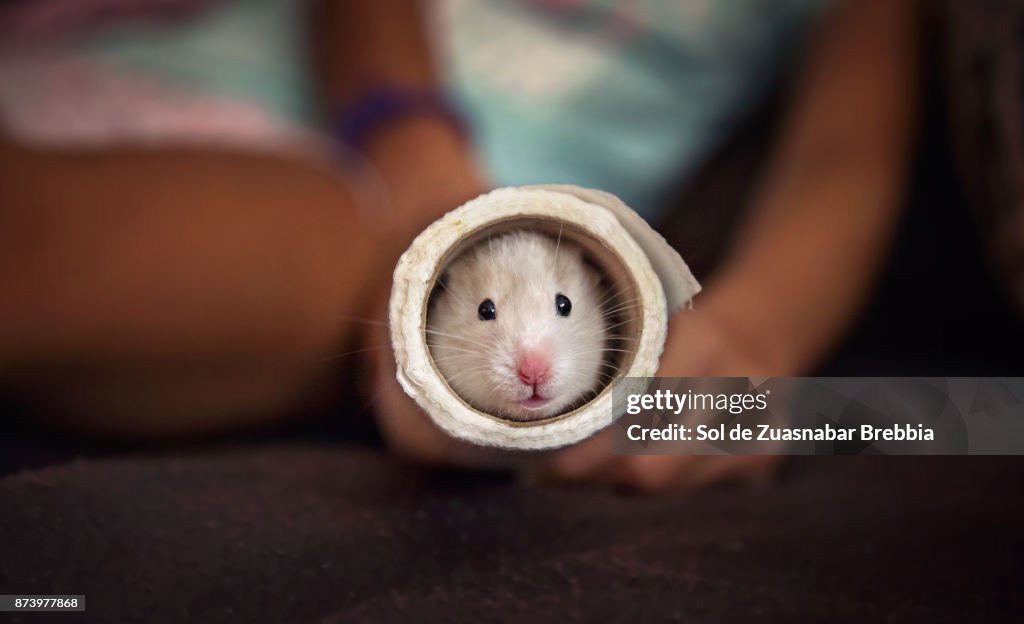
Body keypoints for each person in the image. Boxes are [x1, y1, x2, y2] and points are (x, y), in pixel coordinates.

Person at [0, 0, 919, 491]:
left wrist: (759, 333)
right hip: (363, 147)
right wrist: (417, 160)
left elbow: (845, 161)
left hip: (339, 199)